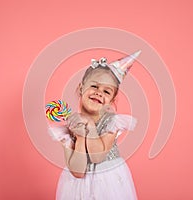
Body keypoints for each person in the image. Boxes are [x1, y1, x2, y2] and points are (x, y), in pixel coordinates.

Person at [49, 50, 141, 200]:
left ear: (111, 101)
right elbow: (78, 171)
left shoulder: (111, 123)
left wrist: (91, 127)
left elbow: (97, 157)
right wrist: (79, 136)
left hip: (107, 184)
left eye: (106, 91)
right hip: (77, 189)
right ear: (81, 88)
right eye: (94, 86)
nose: (99, 92)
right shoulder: (70, 128)